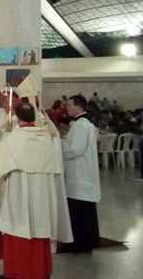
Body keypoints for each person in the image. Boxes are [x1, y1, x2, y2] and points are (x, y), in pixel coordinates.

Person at [0, 102, 72, 279]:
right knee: (40, 228)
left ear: (17, 118)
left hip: (19, 193)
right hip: (42, 194)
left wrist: (3, 130)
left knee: (18, 229)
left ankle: (17, 272)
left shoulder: (13, 138)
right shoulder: (47, 138)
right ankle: (40, 271)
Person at [60, 95, 101, 253]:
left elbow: (75, 150)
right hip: (83, 173)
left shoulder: (80, 125)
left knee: (79, 210)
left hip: (80, 173)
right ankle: (86, 242)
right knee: (84, 210)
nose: (67, 108)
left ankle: (79, 244)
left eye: (69, 105)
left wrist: (60, 143)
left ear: (79, 107)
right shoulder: (84, 123)